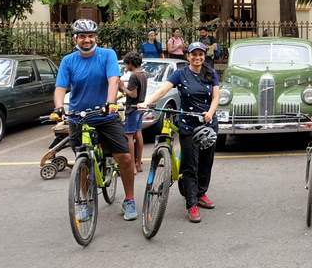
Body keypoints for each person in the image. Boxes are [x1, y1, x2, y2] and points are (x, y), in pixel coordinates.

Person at [51, 19, 138, 221]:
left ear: (96, 37)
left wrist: (110, 102)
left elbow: (113, 80)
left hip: (105, 115)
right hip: (78, 117)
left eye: (90, 36)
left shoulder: (107, 55)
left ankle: (130, 200)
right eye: (82, 36)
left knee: (124, 157)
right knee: (82, 162)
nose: (87, 40)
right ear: (75, 38)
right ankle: (86, 202)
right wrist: (58, 108)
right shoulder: (68, 61)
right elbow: (60, 88)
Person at [139, 42, 220, 222]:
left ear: (204, 55)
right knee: (190, 166)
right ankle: (191, 204)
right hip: (188, 126)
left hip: (208, 125)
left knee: (206, 163)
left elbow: (216, 97)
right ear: (187, 56)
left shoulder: (211, 73)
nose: (197, 57)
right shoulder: (180, 74)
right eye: (194, 54)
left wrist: (211, 113)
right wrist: (146, 102)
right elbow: (162, 90)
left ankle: (201, 194)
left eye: (201, 54)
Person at [118, 51, 146, 173]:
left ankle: (132, 166)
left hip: (132, 109)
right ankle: (138, 164)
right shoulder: (143, 74)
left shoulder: (134, 76)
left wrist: (122, 87)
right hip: (140, 108)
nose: (126, 67)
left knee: (129, 136)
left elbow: (133, 94)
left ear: (130, 63)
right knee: (138, 134)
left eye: (126, 64)